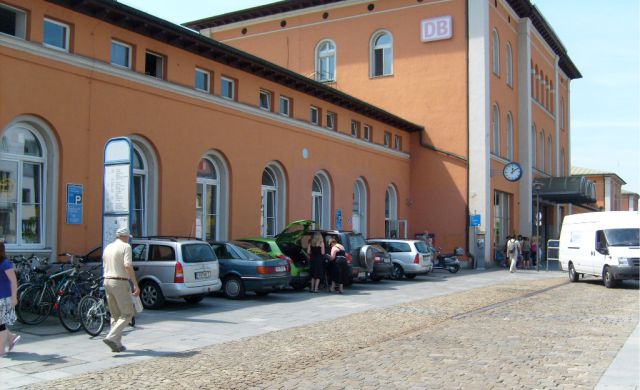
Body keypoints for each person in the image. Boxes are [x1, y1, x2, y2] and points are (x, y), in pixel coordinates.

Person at [102, 227, 139, 353]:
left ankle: (117, 344)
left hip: (107, 280)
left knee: (115, 315)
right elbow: (127, 265)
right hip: (120, 281)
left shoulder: (108, 247)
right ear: (125, 236)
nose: (129, 239)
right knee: (128, 313)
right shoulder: (126, 247)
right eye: (128, 237)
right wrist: (135, 284)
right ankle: (111, 337)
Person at [0, 242, 20, 356]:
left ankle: (1, 350)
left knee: (0, 325)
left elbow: (13, 281)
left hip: (4, 297)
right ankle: (11, 338)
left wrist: (14, 297)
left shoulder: (5, 263)